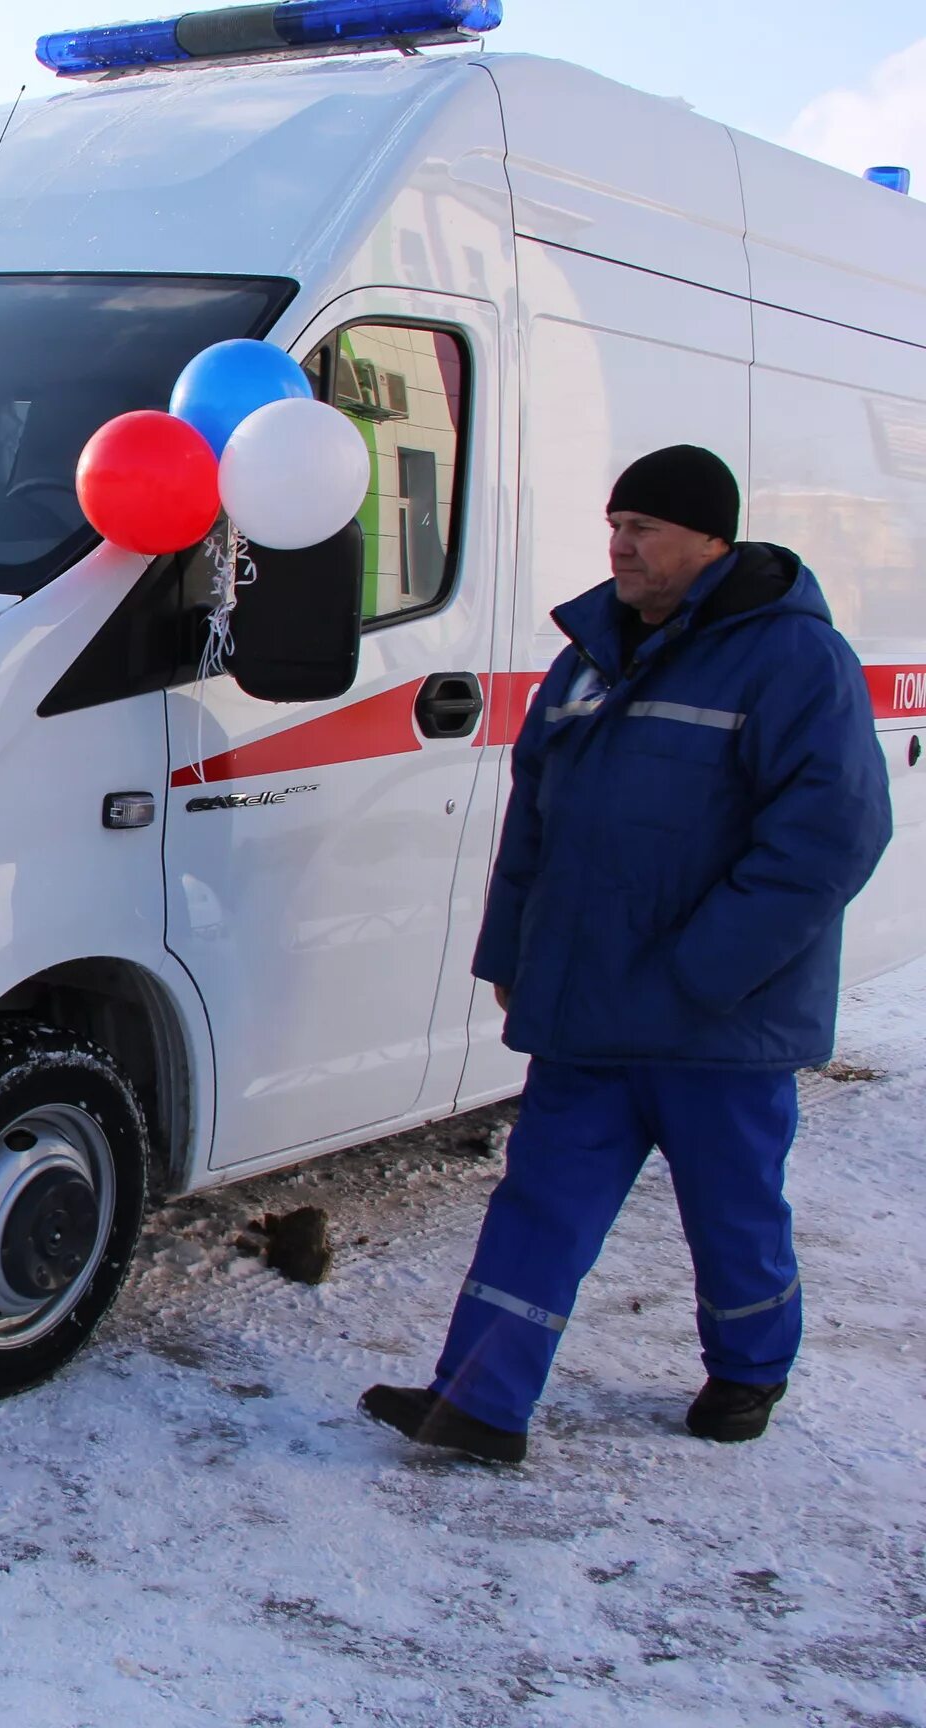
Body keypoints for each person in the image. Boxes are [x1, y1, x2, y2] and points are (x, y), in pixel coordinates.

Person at [363, 445, 894, 1465]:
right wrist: (512, 950)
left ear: (711, 540)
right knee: (539, 1204)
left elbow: (832, 835)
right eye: (616, 524)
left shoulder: (790, 658)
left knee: (733, 1215)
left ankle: (751, 1368)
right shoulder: (588, 656)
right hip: (590, 1008)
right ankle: (478, 1401)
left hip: (715, 1021)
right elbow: (535, 824)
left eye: (644, 528)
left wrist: (705, 970)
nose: (621, 546)